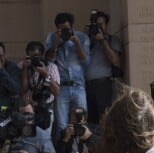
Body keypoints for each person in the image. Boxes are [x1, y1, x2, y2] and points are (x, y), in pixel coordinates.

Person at [45, 12, 90, 141]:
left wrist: (76, 42)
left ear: (72, 26)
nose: (63, 31)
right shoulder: (52, 37)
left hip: (78, 86)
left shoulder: (81, 37)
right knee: (61, 125)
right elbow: (49, 60)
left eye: (65, 28)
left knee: (81, 122)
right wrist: (56, 43)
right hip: (61, 87)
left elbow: (86, 62)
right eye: (60, 28)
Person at [85, 10, 122, 124]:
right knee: (90, 120)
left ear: (106, 25)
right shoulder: (85, 41)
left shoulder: (112, 40)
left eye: (101, 24)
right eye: (96, 25)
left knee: (105, 117)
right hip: (86, 85)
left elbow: (114, 60)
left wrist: (102, 41)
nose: (98, 28)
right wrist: (85, 37)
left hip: (103, 85)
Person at [19, 41, 60, 133]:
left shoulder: (51, 67)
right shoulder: (23, 65)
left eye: (37, 56)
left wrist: (45, 74)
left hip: (44, 109)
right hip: (27, 110)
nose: (35, 60)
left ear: (42, 55)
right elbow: (22, 89)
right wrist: (25, 69)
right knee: (27, 139)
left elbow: (57, 91)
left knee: (43, 139)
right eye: (32, 57)